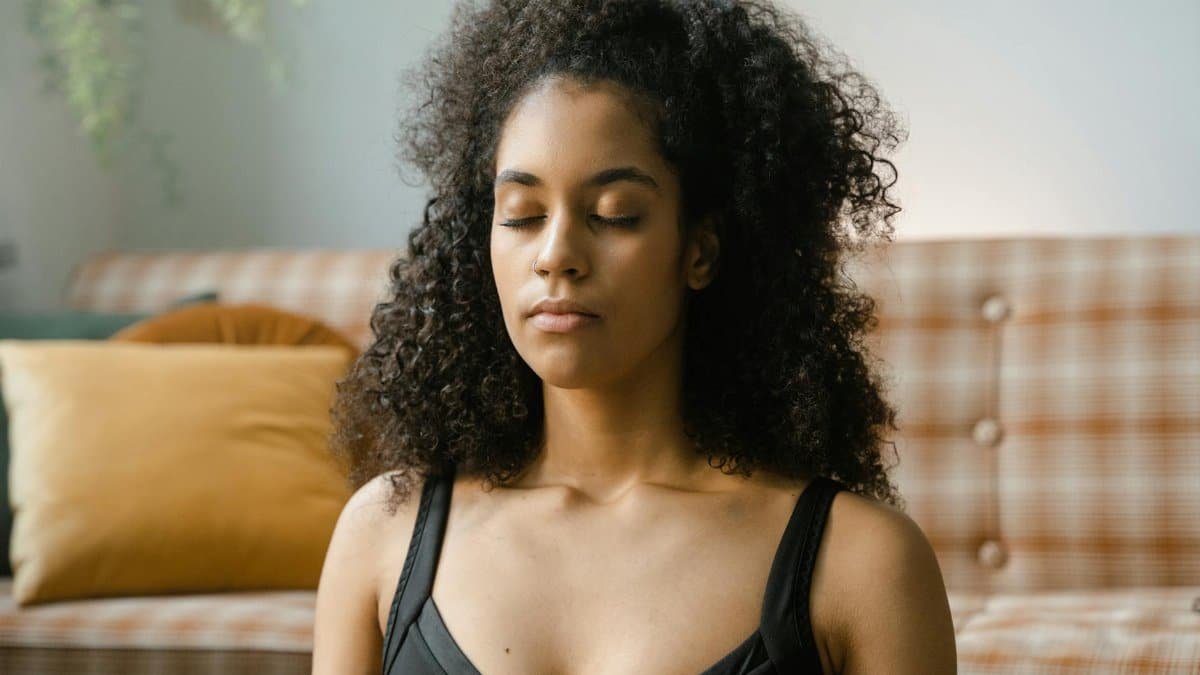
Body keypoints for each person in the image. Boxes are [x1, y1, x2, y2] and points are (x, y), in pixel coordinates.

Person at [313, 0, 956, 673]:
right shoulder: (383, 535)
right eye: (523, 215)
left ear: (700, 251)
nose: (556, 254)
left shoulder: (860, 563)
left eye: (615, 215)